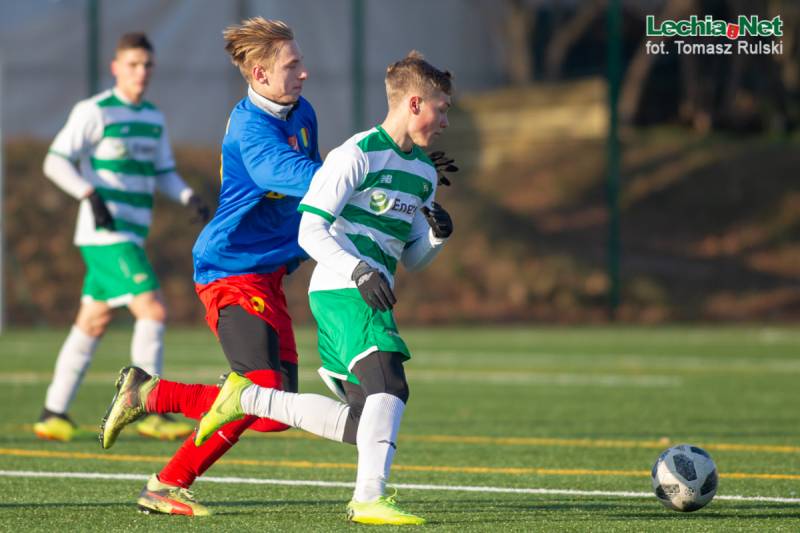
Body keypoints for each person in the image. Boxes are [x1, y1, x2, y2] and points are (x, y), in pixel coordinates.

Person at [196, 50, 454, 526]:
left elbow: (413, 258)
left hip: (371, 290)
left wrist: (436, 234)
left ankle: (249, 398)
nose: (444, 121)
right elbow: (309, 231)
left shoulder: (423, 174)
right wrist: (358, 272)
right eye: (441, 108)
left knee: (363, 422)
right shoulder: (356, 153)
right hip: (341, 287)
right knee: (390, 384)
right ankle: (368, 499)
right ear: (414, 103)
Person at [99, 18, 321, 516]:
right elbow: (297, 176)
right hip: (230, 268)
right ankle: (165, 484)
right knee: (259, 390)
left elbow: (316, 185)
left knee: (273, 413)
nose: (304, 73)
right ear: (260, 74)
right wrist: (364, 171)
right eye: (293, 65)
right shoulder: (250, 126)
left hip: (266, 271)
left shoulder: (301, 111)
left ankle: (150, 393)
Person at [35, 32, 209, 443]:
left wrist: (187, 196)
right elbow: (54, 161)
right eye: (132, 64)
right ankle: (148, 408)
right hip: (105, 235)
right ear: (116, 68)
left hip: (129, 234)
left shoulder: (153, 117)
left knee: (92, 322)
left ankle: (53, 412)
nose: (141, 72)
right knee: (153, 309)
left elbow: (162, 170)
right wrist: (88, 193)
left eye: (147, 65)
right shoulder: (95, 111)